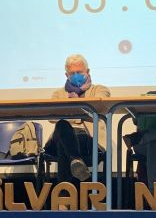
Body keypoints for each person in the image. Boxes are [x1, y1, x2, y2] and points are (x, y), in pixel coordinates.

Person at [45, 54, 110, 182]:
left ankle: (64, 191)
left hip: (88, 139)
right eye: (72, 73)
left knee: (64, 146)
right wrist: (80, 111)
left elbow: (100, 108)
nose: (76, 75)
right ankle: (76, 161)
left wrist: (73, 105)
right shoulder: (58, 94)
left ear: (88, 72)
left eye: (79, 72)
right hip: (61, 135)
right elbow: (52, 117)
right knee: (62, 126)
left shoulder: (100, 90)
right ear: (66, 75)